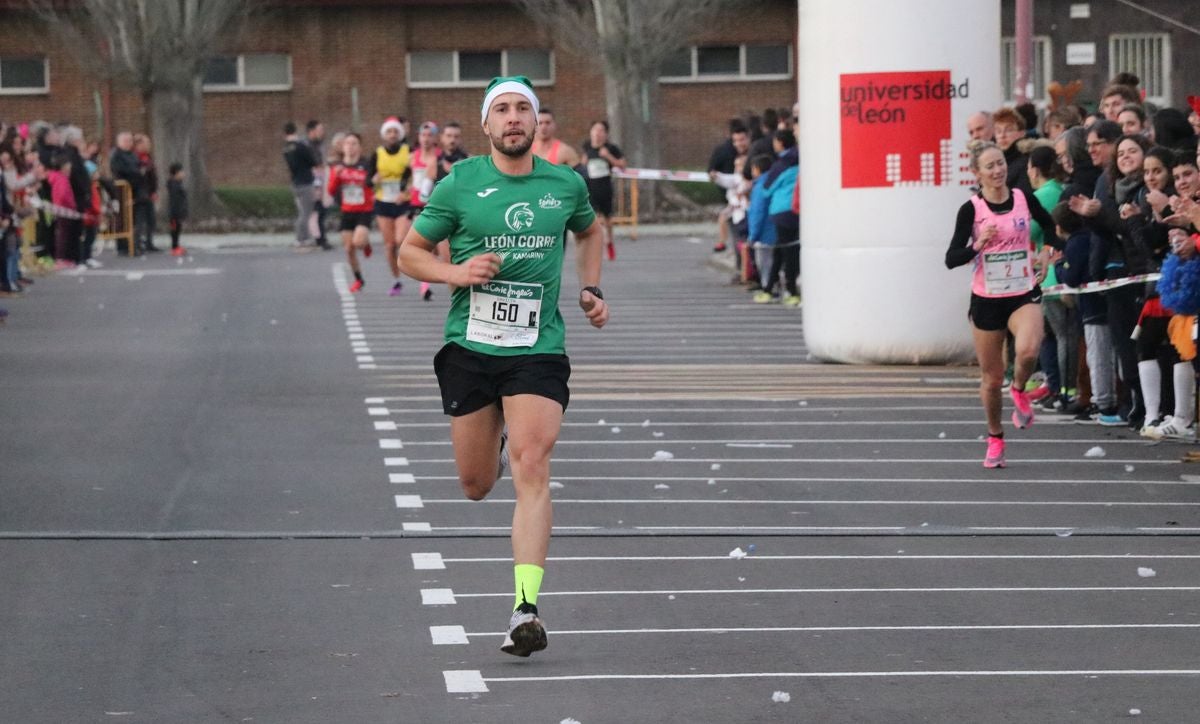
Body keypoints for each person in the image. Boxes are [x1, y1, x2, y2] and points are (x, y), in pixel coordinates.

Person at [397, 75, 608, 658]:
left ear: (537, 122)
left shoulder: (564, 184)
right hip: (471, 346)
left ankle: (525, 608)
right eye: (502, 110)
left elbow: (592, 231)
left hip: (538, 349)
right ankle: (492, 440)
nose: (514, 118)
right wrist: (456, 273)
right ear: (487, 125)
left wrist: (590, 287)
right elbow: (409, 252)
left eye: (523, 109)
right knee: (476, 485)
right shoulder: (460, 184)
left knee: (533, 463)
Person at [945, 141, 1056, 468]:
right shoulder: (971, 210)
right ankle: (995, 437)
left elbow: (1049, 225)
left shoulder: (1023, 198)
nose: (997, 170)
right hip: (987, 298)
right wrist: (978, 244)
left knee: (1028, 350)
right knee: (992, 380)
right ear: (976, 173)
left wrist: (1046, 251)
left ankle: (1020, 387)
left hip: (1021, 291)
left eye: (1000, 164)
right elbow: (952, 258)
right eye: (989, 166)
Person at [367, 117, 412, 297]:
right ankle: (396, 279)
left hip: (402, 201)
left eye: (395, 131)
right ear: (384, 135)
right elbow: (367, 179)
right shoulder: (377, 154)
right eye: (389, 132)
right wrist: (373, 180)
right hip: (383, 202)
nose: (392, 135)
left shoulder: (408, 152)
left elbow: (414, 176)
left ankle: (411, 268)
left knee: (401, 239)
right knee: (389, 245)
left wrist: (406, 192)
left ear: (400, 134)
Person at [327, 133, 374, 293]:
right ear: (343, 147)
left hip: (364, 210)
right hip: (347, 211)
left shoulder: (367, 165)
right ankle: (359, 279)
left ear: (359, 147)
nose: (350, 146)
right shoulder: (338, 167)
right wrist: (336, 176)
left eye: (354, 143)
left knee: (358, 243)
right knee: (348, 249)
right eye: (347, 143)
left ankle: (365, 242)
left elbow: (373, 185)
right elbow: (331, 191)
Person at [581, 120, 625, 261]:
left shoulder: (611, 148)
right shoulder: (587, 147)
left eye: (601, 131)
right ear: (591, 132)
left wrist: (608, 157)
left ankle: (609, 243)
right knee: (592, 220)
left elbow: (623, 164)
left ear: (606, 134)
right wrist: (584, 162)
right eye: (595, 130)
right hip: (590, 188)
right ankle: (592, 247)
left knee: (607, 220)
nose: (598, 133)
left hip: (605, 187)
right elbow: (581, 166)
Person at [284, 121, 321, 251]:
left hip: (295, 182)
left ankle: (304, 238)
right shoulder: (300, 146)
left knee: (302, 212)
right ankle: (301, 239)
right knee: (306, 213)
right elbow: (312, 161)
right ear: (295, 131)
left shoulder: (286, 148)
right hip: (305, 182)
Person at [306, 120, 331, 248]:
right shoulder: (307, 147)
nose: (322, 133)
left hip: (321, 182)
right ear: (311, 131)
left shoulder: (319, 145)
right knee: (316, 211)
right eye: (319, 130)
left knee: (322, 211)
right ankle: (318, 238)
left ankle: (321, 238)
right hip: (314, 183)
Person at [167, 162, 188, 257]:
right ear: (176, 173)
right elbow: (175, 201)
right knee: (174, 230)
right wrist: (177, 213)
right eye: (181, 172)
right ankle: (174, 247)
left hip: (178, 212)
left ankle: (177, 246)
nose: (183, 174)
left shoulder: (178, 184)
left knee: (178, 229)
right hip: (174, 213)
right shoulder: (174, 185)